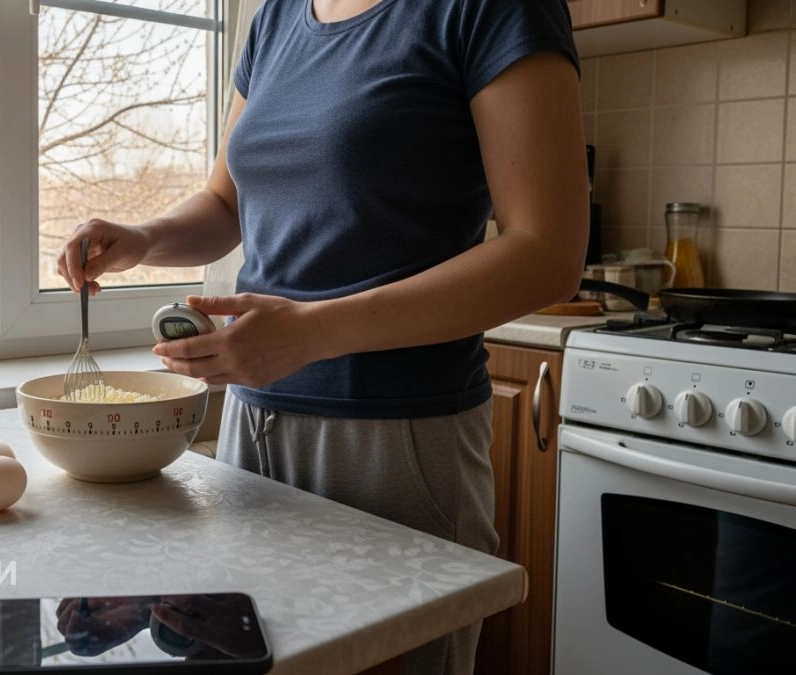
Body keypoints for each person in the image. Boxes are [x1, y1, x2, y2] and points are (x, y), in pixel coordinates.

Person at [56, 1, 587, 673]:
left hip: (396, 440)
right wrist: (143, 238)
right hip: (253, 425)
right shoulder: (277, 19)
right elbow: (224, 204)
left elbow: (547, 252)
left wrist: (312, 333)